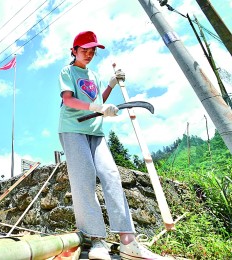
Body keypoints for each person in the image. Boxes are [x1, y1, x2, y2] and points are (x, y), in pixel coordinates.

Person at [58, 31, 166, 260]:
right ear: (74, 50)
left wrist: (111, 85)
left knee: (111, 175)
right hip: (73, 128)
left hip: (96, 132)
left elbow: (99, 101)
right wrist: (96, 109)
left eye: (92, 51)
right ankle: (97, 240)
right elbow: (68, 100)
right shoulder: (68, 71)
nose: (89, 54)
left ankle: (128, 241)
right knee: (84, 178)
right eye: (84, 50)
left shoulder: (94, 75)